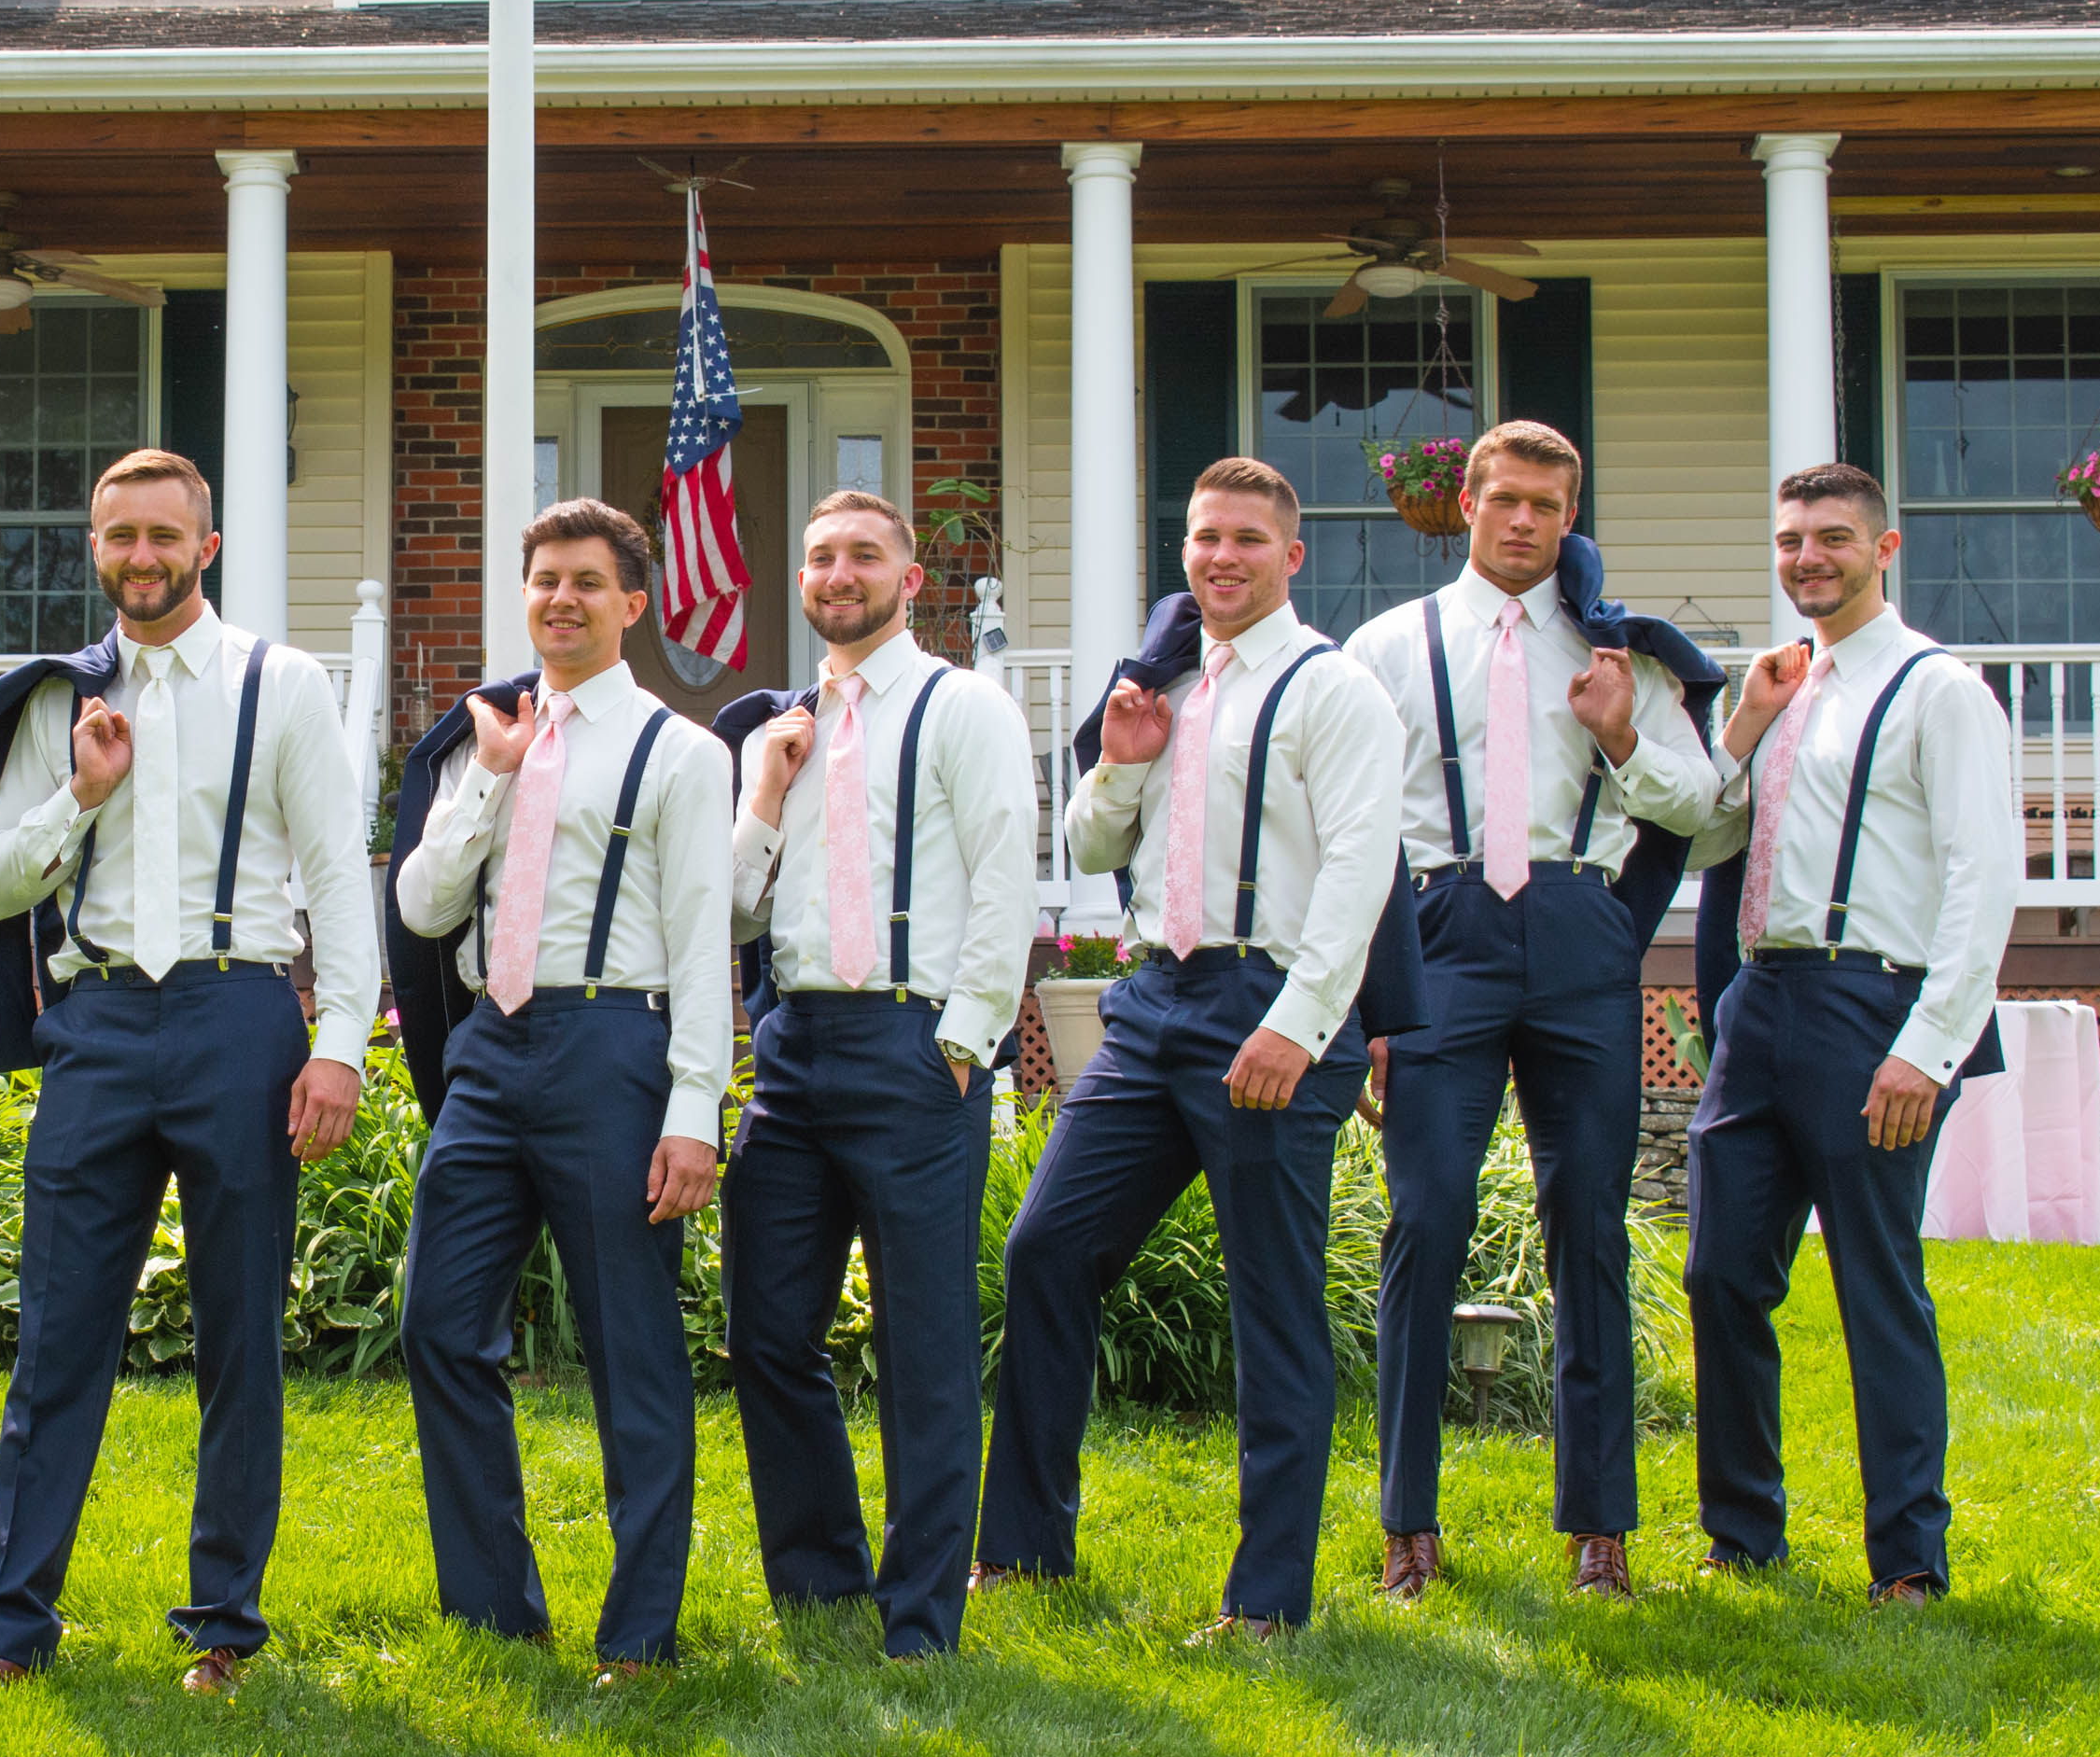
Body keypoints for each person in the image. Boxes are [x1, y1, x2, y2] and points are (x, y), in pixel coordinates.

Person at [0, 449, 379, 1692]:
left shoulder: (281, 683)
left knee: (240, 1333)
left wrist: (340, 1042)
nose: (142, 555)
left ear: (206, 547)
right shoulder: (59, 701)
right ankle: (9, 1625)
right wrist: (80, 795)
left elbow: (337, 871)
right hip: (95, 1026)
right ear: (96, 548)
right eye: (120, 535)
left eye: (163, 535)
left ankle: (223, 1624)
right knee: (57, 1332)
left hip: (239, 1016)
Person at [980, 457, 1404, 1643]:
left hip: (1269, 1002)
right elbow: (1090, 843)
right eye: (1206, 537)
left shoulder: (1334, 691)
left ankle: (1266, 1602)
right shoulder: (1163, 687)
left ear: (1290, 558)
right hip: (1153, 1003)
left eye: (1248, 540)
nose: (1223, 557)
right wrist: (1121, 759)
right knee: (1046, 1250)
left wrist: (1298, 1025)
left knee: (1273, 1303)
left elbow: (1361, 870)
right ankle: (1022, 1551)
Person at [1342, 420, 1728, 1603]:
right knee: (1425, 1220)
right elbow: (1347, 824)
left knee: (1590, 1229)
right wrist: (1366, 1000)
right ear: (1466, 503)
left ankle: (1599, 1531)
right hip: (1437, 934)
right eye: (1505, 499)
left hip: (1578, 932)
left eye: (1546, 506)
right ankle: (1408, 1525)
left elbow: (1703, 809)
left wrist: (1621, 734)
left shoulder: (1619, 651)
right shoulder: (1385, 647)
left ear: (1570, 516)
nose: (1524, 522)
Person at [381, 501, 731, 1680]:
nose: (561, 600)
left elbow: (702, 945)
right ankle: (493, 1607)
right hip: (491, 1048)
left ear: (631, 604)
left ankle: (639, 1633)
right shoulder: (483, 739)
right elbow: (422, 907)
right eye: (544, 580)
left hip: (612, 1046)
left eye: (586, 581)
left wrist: (693, 1112)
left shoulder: (681, 753)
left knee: (631, 1346)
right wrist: (488, 778)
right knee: (438, 1324)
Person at [719, 490, 1041, 1663]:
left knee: (923, 1344)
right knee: (766, 1329)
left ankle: (919, 1614)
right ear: (801, 580)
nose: (838, 574)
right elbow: (730, 910)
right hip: (793, 1050)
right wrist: (764, 794)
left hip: (915, 1047)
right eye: (819, 557)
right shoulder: (778, 730)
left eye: (863, 555)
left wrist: (966, 1041)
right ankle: (818, 1583)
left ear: (908, 580)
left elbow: (1006, 875)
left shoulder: (964, 708)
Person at [1684, 464, 2012, 1610]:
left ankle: (1908, 1559)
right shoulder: (1782, 688)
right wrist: (1743, 724)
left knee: (1876, 1284)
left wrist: (1929, 1045)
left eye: (1830, 537)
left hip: (1873, 1005)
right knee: (1718, 1273)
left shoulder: (1939, 691)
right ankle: (1741, 1536)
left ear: (1884, 549)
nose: (1806, 557)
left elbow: (1983, 875)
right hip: (1759, 1003)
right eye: (1789, 540)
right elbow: (1705, 842)